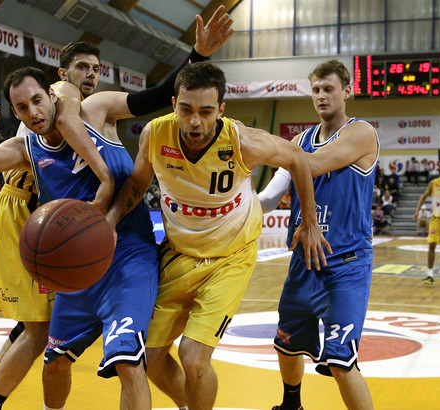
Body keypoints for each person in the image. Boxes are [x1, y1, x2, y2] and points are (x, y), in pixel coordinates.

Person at [0, 7, 235, 410]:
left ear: (51, 93)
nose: (33, 111)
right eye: (22, 108)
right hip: (79, 267)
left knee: (130, 365)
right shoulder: (27, 148)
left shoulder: (99, 108)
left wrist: (197, 53)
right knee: (53, 364)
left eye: (37, 100)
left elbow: (157, 97)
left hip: (128, 255)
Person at [105, 61, 329, 410]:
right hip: (179, 252)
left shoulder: (243, 142)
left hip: (229, 258)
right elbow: (137, 182)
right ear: (174, 104)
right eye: (186, 110)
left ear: (221, 110)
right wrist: (111, 218)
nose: (195, 121)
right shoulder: (154, 134)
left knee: (193, 358)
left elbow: (298, 158)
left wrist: (310, 223)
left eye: (206, 112)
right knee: (148, 355)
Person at [257, 59, 378, 410]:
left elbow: (312, 164)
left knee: (341, 362)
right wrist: (226, 200)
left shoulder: (361, 133)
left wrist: (251, 143)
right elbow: (268, 199)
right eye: (316, 90)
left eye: (328, 89)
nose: (321, 96)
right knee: (287, 343)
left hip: (346, 264)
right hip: (303, 262)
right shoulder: (298, 141)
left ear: (347, 92)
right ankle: (291, 405)